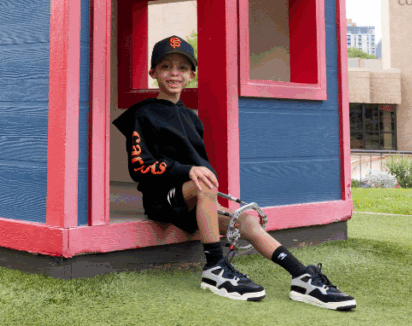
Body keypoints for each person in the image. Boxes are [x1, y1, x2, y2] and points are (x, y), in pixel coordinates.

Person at [112, 35, 356, 311]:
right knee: (204, 185)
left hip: (193, 200)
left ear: (191, 75)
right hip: (162, 199)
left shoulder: (191, 118)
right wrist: (186, 170)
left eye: (182, 68)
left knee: (248, 221)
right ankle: (215, 268)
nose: (174, 73)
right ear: (153, 73)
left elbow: (200, 167)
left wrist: (201, 179)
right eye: (166, 66)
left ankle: (302, 277)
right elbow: (139, 167)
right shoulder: (143, 115)